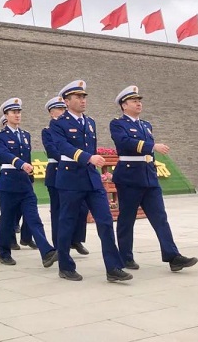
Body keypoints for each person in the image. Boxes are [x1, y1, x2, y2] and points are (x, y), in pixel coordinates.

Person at [49, 80, 132, 282]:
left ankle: (113, 267)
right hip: (70, 178)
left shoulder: (90, 122)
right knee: (67, 222)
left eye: (84, 96)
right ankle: (66, 266)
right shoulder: (58, 123)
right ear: (67, 101)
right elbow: (62, 146)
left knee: (104, 221)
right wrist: (88, 158)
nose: (83, 100)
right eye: (78, 97)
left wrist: (92, 160)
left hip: (91, 179)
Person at [110, 85, 198, 272]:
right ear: (124, 105)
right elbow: (125, 142)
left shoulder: (145, 125)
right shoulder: (118, 124)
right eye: (134, 101)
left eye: (139, 101)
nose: (139, 104)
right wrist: (152, 146)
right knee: (127, 219)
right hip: (129, 177)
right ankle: (125, 257)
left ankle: (172, 256)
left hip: (149, 176)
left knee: (160, 218)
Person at [0, 98, 58, 268]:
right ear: (6, 115)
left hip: (25, 184)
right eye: (14, 112)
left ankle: (47, 252)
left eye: (19, 112)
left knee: (33, 218)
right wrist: (21, 164)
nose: (17, 115)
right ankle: (4, 252)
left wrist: (30, 177)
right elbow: (3, 154)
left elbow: (27, 157)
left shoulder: (25, 135)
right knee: (7, 219)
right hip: (8, 183)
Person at [42, 96, 90, 255]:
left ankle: (76, 239)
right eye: (59, 109)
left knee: (82, 208)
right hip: (57, 172)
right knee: (59, 212)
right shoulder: (48, 130)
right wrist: (76, 158)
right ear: (51, 112)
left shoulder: (75, 124)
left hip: (76, 171)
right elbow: (53, 150)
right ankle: (59, 246)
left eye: (64, 108)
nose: (63, 111)